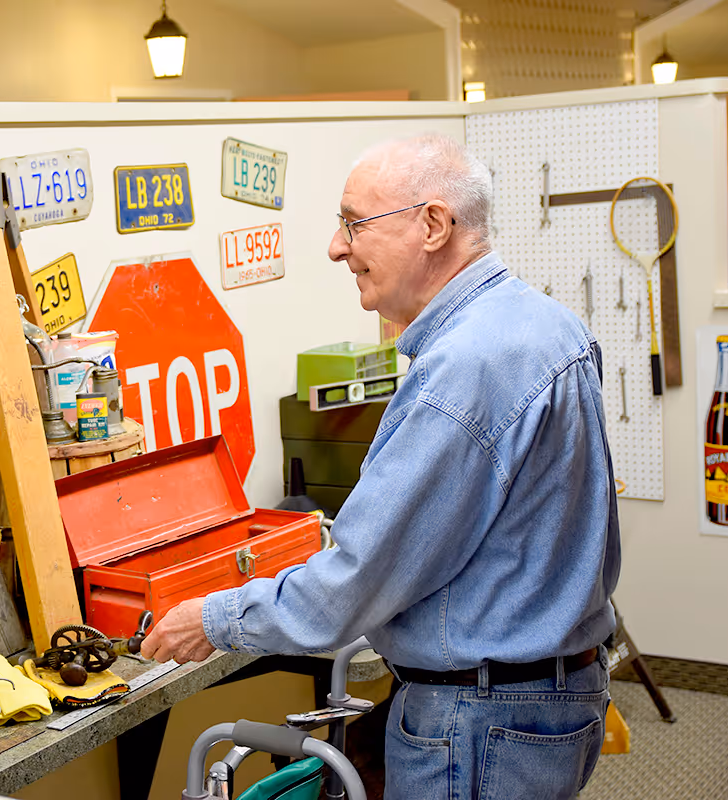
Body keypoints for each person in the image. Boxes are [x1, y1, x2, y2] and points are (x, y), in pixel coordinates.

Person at [140, 133, 620, 799]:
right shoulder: (548, 326)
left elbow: (352, 585)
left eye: (353, 224)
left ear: (432, 224)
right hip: (550, 701)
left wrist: (213, 619)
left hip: (482, 722)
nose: (338, 247)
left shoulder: (464, 370)